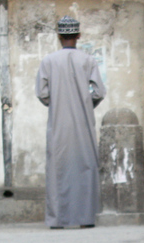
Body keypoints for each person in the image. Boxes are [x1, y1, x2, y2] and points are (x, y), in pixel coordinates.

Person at [36, 16, 106, 229]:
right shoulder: (88, 60)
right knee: (85, 167)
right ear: (78, 36)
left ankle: (57, 220)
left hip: (58, 124)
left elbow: (42, 93)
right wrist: (84, 103)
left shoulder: (48, 61)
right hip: (83, 123)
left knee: (58, 169)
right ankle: (86, 218)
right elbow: (100, 91)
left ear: (59, 36)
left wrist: (57, 103)